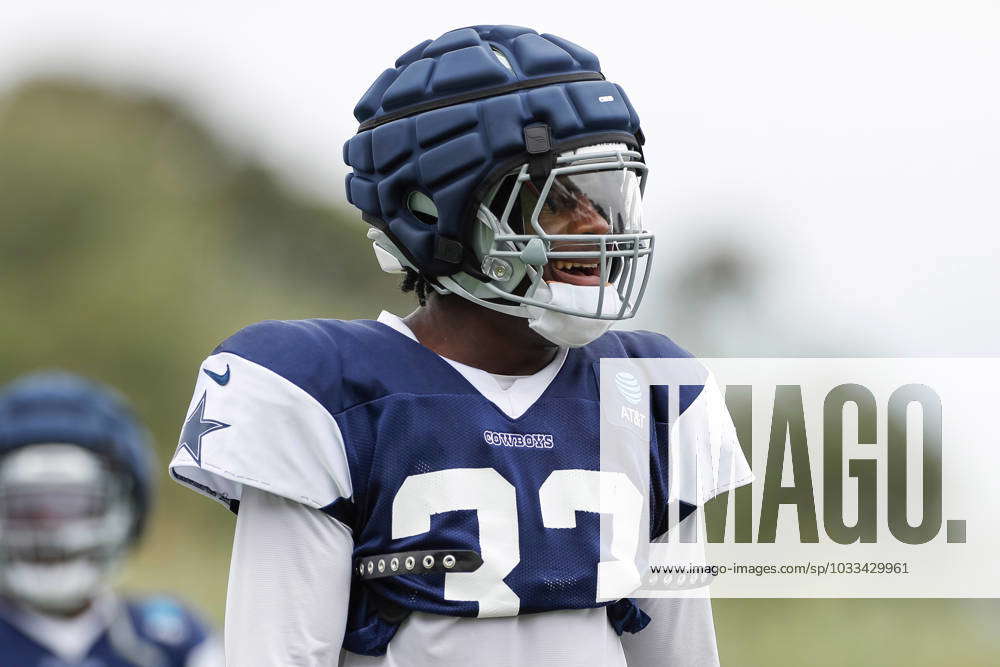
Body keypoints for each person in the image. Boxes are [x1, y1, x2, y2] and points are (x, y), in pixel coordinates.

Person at [169, 25, 752, 666]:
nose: (595, 226)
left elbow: (680, 656)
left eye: (606, 195)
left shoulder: (649, 392)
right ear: (437, 214)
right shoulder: (325, 396)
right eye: (555, 201)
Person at [0, 372, 223, 666]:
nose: (51, 530)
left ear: (126, 511)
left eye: (74, 505)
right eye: (26, 509)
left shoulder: (171, 639)